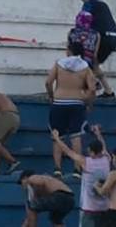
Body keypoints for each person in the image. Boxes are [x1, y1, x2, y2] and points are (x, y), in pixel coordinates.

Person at [47, 40, 98, 177]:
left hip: (59, 102)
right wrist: (88, 102)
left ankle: (57, 168)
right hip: (76, 103)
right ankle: (77, 169)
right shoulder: (85, 67)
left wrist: (51, 95)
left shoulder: (59, 64)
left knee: (58, 136)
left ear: (69, 51)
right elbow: (92, 89)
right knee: (76, 137)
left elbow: (48, 82)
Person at [52, 126, 110, 225]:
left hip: (89, 209)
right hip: (104, 208)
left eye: (89, 151)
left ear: (92, 152)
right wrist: (98, 134)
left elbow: (68, 151)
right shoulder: (106, 159)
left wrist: (57, 138)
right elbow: (103, 146)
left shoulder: (86, 162)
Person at [79, 0, 116, 97]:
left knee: (84, 62)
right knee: (94, 64)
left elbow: (83, 23)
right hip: (113, 38)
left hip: (102, 38)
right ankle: (108, 91)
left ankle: (93, 86)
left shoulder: (89, 5)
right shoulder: (102, 4)